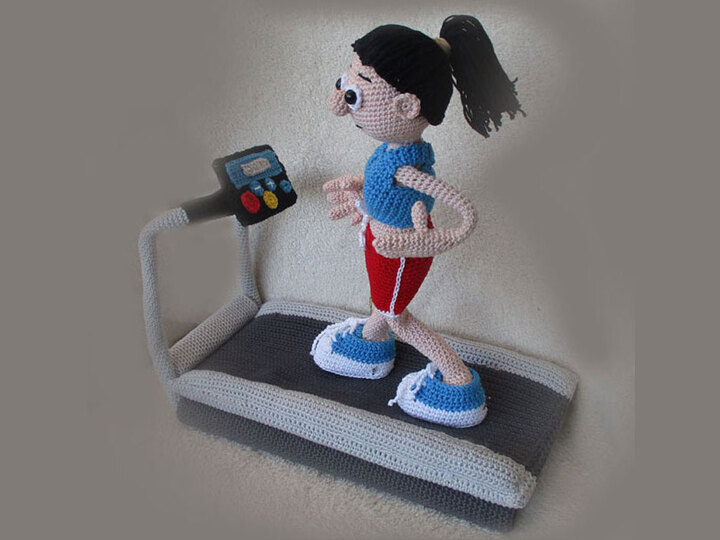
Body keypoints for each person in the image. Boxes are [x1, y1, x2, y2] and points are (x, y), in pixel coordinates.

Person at [310, 15, 523, 428]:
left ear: (406, 106)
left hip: (401, 252)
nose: (341, 100)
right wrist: (363, 195)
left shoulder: (410, 169)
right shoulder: (389, 153)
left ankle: (458, 379)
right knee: (383, 302)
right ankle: (372, 340)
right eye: (345, 81)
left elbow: (464, 213)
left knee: (397, 315)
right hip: (381, 242)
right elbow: (383, 190)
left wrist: (431, 239)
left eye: (355, 92)